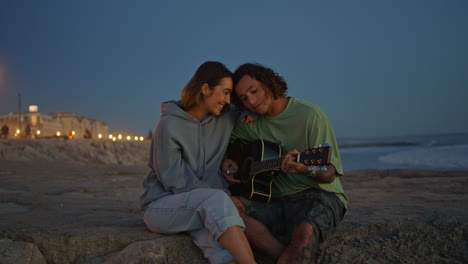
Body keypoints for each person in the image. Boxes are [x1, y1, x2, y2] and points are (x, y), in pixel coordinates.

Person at [220, 63, 348, 264]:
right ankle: (285, 257)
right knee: (227, 206)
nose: (252, 101)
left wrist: (306, 169)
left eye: (254, 91)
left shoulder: (310, 115)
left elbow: (330, 172)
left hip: (317, 195)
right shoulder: (248, 122)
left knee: (304, 232)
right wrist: (227, 161)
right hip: (272, 200)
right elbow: (228, 147)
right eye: (244, 98)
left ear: (269, 83)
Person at [140, 61, 256, 264]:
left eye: (231, 94)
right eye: (225, 92)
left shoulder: (225, 118)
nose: (228, 100)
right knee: (217, 202)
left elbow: (256, 108)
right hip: (163, 207)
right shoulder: (170, 124)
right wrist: (221, 198)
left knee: (222, 252)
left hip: (201, 208)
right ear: (205, 89)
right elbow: (174, 181)